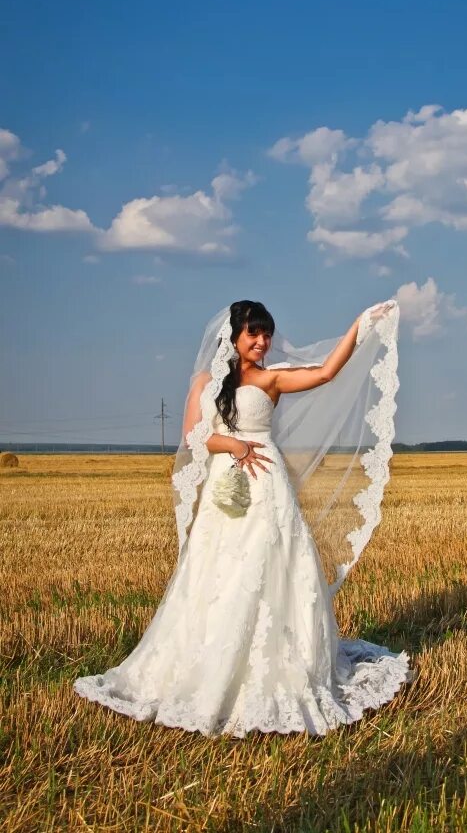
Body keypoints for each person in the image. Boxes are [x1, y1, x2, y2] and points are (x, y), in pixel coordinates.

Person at [73, 298, 410, 737]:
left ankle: (284, 667)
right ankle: (211, 666)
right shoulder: (206, 380)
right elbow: (193, 436)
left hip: (268, 485)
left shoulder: (271, 379)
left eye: (266, 333)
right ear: (233, 336)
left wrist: (361, 325)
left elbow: (326, 371)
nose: (262, 342)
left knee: (274, 567)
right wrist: (231, 445)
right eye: (253, 333)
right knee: (218, 570)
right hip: (224, 486)